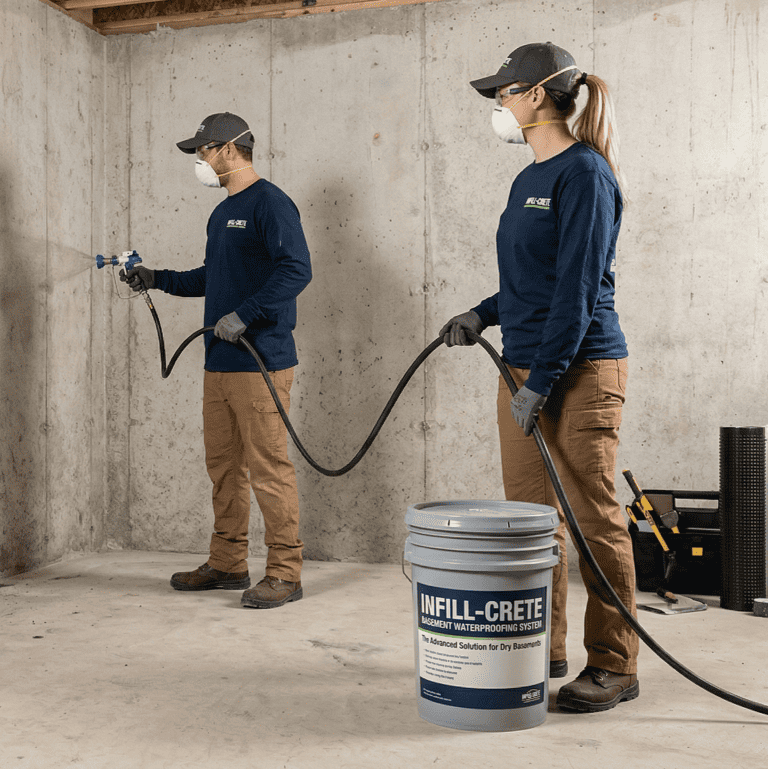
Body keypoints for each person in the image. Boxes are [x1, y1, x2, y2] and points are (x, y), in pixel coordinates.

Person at [440, 42, 639, 712]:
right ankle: (541, 646)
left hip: (579, 370)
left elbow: (578, 292)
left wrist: (542, 379)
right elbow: (529, 283)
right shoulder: (528, 177)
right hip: (525, 367)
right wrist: (482, 312)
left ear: (535, 95)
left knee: (592, 519)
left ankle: (615, 663)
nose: (498, 104)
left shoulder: (585, 174)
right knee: (531, 523)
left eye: (504, 92)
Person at [123, 112, 312, 609]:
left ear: (229, 148)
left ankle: (285, 574)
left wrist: (247, 314)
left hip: (261, 362)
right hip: (219, 363)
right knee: (224, 467)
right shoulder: (220, 212)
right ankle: (228, 562)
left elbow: (297, 269)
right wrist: (157, 278)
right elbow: (213, 276)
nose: (200, 161)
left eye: (203, 151)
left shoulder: (271, 203)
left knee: (268, 468)